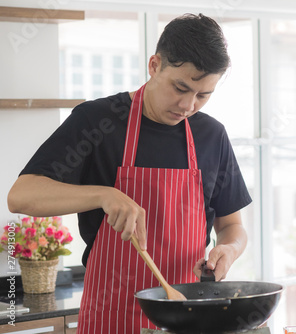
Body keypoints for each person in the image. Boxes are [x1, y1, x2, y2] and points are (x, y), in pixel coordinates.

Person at [7, 13, 251, 333]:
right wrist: (103, 194)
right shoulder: (97, 121)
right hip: (113, 313)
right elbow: (21, 196)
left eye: (203, 95)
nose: (188, 105)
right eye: (180, 87)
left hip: (188, 313)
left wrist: (228, 250)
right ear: (154, 65)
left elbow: (232, 225)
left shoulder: (211, 135)